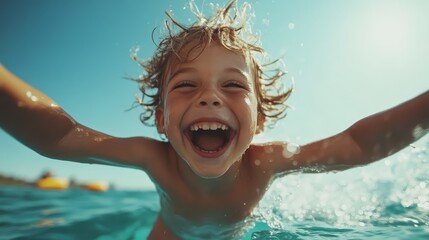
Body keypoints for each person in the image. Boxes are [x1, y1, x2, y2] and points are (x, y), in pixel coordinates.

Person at [0, 1, 428, 239]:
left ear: (259, 121)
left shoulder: (267, 162)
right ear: (162, 119)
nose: (209, 98)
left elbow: (354, 145)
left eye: (234, 86)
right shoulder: (155, 158)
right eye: (187, 85)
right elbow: (62, 136)